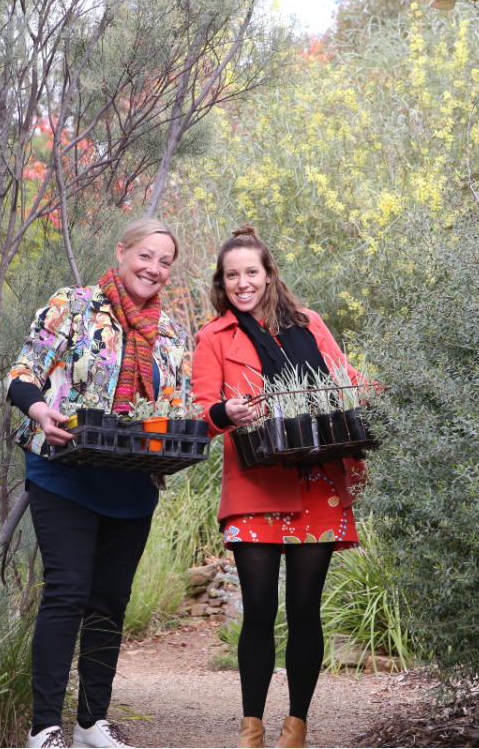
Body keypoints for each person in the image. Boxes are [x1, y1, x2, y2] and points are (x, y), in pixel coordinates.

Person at [6, 219, 191, 749]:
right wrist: (41, 412)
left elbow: (175, 409)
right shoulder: (74, 305)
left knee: (110, 601)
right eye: (146, 256)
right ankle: (44, 730)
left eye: (164, 263)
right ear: (121, 251)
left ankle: (91, 724)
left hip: (131, 486)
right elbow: (23, 372)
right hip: (64, 472)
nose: (153, 269)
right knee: (67, 592)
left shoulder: (173, 334)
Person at [191, 225, 366, 749]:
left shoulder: (309, 324)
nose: (243, 282)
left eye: (252, 272)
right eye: (232, 275)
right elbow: (199, 414)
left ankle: (296, 726)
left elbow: (344, 379)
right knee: (260, 609)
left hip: (318, 484)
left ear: (268, 275)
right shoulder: (213, 337)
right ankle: (251, 728)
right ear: (222, 284)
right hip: (256, 485)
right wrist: (228, 411)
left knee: (305, 610)